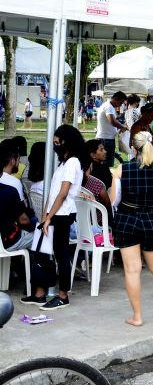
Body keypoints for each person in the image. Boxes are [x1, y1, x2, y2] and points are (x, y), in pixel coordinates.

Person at [109, 131, 153, 326]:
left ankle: (137, 316)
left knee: (132, 270)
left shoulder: (122, 169)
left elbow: (115, 200)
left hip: (128, 219)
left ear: (133, 148)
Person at [21, 124, 85, 310]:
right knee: (42, 252)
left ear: (67, 142)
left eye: (58, 141)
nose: (55, 144)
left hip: (63, 214)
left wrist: (49, 217)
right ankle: (39, 293)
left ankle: (63, 296)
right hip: (53, 213)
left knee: (60, 255)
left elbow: (63, 192)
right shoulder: (63, 162)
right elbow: (53, 190)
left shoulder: (73, 162)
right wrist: (45, 214)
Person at [95, 91, 128, 167]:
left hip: (106, 138)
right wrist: (123, 127)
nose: (121, 105)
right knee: (105, 163)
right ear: (116, 99)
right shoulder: (108, 107)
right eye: (121, 102)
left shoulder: (109, 106)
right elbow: (112, 121)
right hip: (106, 139)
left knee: (104, 163)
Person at [0, 182, 35, 253]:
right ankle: (37, 263)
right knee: (41, 236)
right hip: (7, 243)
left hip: (6, 241)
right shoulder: (9, 191)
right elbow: (24, 220)